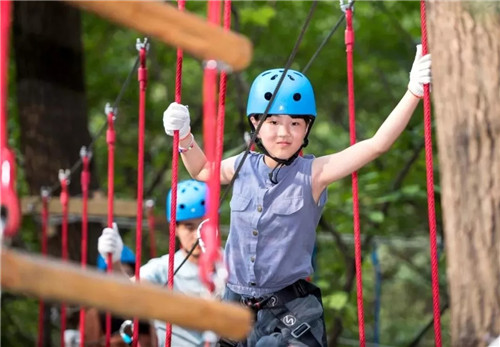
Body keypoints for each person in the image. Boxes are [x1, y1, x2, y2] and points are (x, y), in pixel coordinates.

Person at [162, 44, 431, 347]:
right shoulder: (241, 166)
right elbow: (201, 171)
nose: (283, 133)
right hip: (236, 307)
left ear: (306, 130)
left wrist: (413, 93)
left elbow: (375, 145)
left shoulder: (313, 174)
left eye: (295, 123)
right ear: (256, 124)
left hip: (289, 311)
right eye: (274, 122)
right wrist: (184, 136)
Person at [97, 179, 209, 347]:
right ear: (175, 229)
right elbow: (127, 292)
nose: (198, 235)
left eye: (204, 225)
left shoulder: (233, 266)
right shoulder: (163, 269)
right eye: (189, 227)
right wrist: (114, 263)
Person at [84, 245, 154, 347]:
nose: (121, 280)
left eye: (127, 273)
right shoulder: (94, 316)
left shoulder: (147, 314)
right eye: (114, 275)